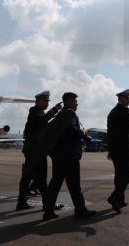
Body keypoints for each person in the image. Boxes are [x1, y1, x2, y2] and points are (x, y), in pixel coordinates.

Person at [43, 92, 96, 220]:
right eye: (75, 101)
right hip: (69, 156)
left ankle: (48, 211)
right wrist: (85, 136)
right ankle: (80, 210)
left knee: (55, 184)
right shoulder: (70, 113)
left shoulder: (61, 114)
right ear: (68, 101)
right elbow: (71, 128)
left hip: (59, 156)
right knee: (74, 185)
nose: (77, 103)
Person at [16, 91, 62, 211]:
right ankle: (47, 204)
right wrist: (54, 110)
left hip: (34, 150)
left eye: (48, 101)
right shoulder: (35, 113)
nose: (47, 103)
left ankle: (22, 203)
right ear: (38, 101)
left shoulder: (38, 113)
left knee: (31, 178)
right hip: (36, 151)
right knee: (39, 179)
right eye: (45, 101)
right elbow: (42, 122)